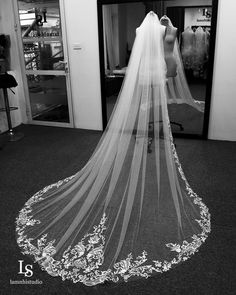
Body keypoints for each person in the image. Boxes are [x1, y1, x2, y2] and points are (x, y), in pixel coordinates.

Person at [15, 12, 210, 286]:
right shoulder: (153, 26)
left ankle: (153, 128)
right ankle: (153, 129)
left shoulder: (154, 27)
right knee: (154, 107)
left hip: (161, 68)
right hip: (159, 68)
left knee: (156, 107)